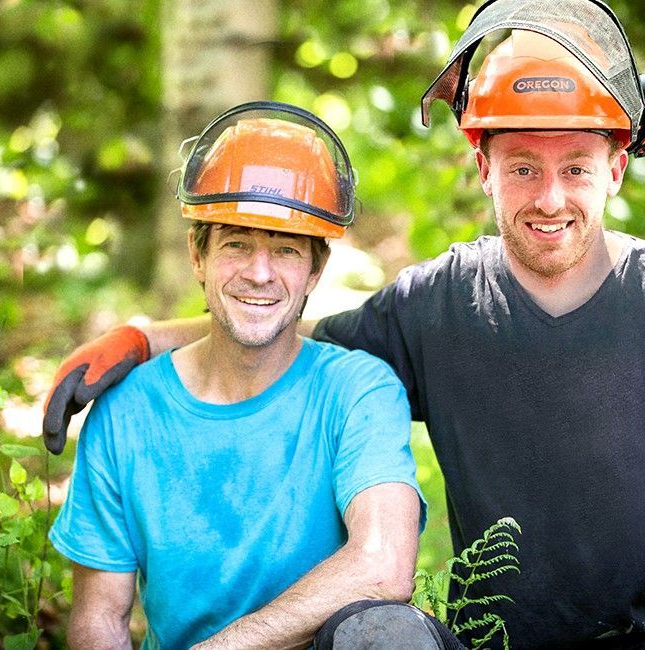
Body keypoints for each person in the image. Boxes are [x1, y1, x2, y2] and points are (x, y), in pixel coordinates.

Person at [44, 2, 645, 648]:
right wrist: (143, 339)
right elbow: (275, 329)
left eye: (575, 166)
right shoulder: (438, 304)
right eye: (522, 167)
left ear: (616, 168)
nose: (549, 197)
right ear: (483, 167)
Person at [48, 101, 460, 650]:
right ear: (198, 255)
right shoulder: (127, 412)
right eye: (236, 243)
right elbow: (99, 618)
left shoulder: (358, 389)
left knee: (388, 636)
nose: (259, 273)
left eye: (285, 249)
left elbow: (383, 566)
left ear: (315, 270)